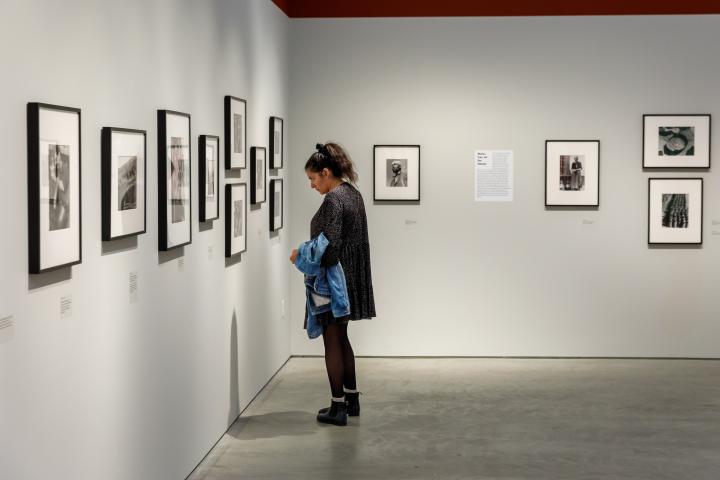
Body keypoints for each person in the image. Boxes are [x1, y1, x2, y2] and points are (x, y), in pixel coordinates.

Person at [290, 142, 376, 426]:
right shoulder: (353, 193)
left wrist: (299, 254)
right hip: (350, 280)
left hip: (333, 283)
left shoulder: (333, 200)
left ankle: (337, 407)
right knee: (342, 338)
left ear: (326, 172)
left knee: (331, 341)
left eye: (313, 179)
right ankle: (352, 400)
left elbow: (330, 250)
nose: (312, 185)